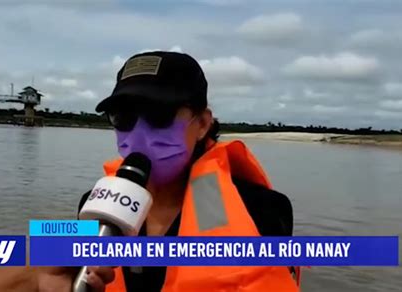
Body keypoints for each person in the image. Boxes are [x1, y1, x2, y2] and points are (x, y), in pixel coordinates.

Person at [77, 50, 301, 291]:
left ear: (203, 124)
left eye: (159, 116)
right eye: (122, 116)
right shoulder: (92, 209)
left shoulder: (262, 210)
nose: (139, 135)